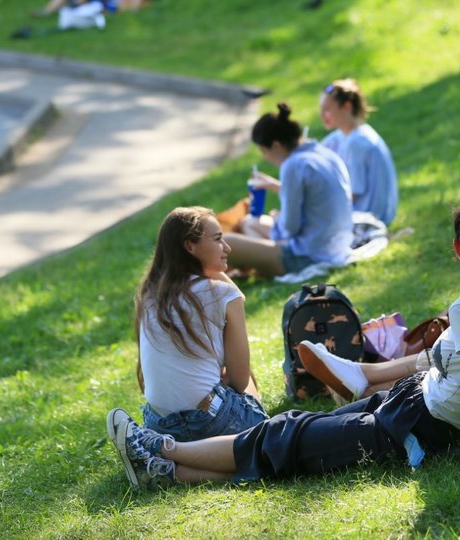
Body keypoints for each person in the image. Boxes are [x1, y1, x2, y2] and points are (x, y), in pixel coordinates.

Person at [107, 194, 460, 490]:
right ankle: (165, 469)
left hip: (414, 430)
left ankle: (162, 451)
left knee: (285, 439)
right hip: (415, 402)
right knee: (290, 432)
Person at [115, 206, 268, 469]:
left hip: (160, 424)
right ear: (190, 246)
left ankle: (169, 462)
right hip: (210, 420)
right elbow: (241, 380)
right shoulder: (223, 294)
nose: (227, 248)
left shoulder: (150, 295)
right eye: (218, 239)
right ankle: (208, 456)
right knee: (258, 413)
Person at [223, 103, 354, 277]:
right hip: (337, 245)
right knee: (250, 223)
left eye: (264, 151)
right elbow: (316, 196)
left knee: (225, 242)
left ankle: (246, 270)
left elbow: (290, 228)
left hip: (308, 255)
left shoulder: (292, 165)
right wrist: (275, 187)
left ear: (276, 145)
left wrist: (279, 220)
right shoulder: (322, 152)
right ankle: (250, 267)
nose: (265, 158)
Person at [318, 79, 398, 226]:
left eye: (327, 109)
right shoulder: (343, 135)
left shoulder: (358, 143)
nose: (322, 115)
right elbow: (314, 155)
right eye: (321, 109)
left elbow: (351, 195)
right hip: (365, 215)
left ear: (347, 107)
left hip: (369, 220)